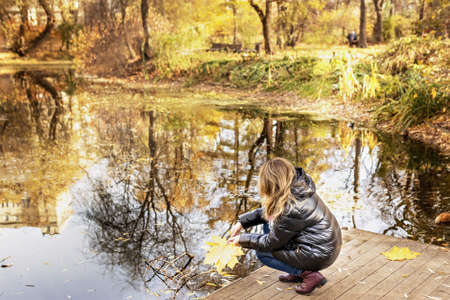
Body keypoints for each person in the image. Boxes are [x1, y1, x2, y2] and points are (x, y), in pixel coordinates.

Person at [228, 157, 342, 295]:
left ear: (272, 184)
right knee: (268, 224)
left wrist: (242, 239)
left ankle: (308, 274)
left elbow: (270, 243)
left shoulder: (291, 208)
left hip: (319, 253)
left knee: (263, 253)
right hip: (323, 245)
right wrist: (242, 222)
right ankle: (297, 270)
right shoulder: (297, 188)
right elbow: (268, 213)